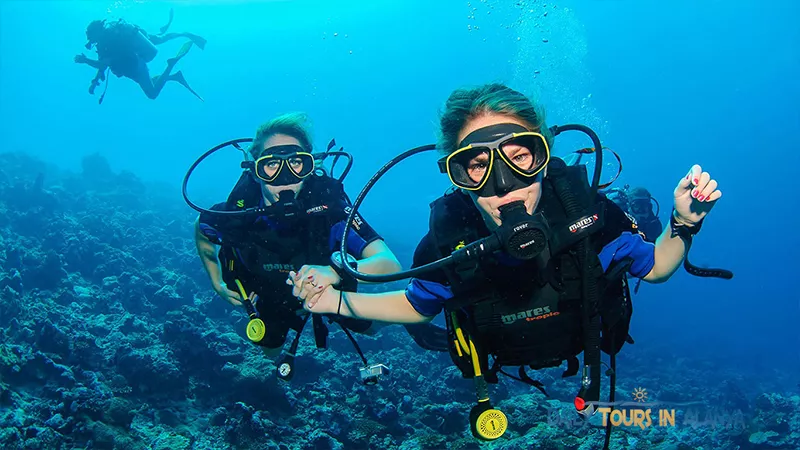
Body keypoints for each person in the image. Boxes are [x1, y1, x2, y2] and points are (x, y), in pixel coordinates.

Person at [290, 83, 726, 445]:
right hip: (498, 363)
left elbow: (656, 267)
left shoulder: (588, 216)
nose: (502, 186)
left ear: (545, 156)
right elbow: (415, 305)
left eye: (520, 157)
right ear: (456, 176)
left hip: (583, 347)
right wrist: (334, 302)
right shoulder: (448, 241)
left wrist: (683, 223)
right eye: (476, 166)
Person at [193, 113, 445, 382]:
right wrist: (217, 283)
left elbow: (387, 262)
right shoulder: (237, 214)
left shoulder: (329, 210)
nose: (285, 178)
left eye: (296, 163)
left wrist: (336, 272)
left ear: (310, 167)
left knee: (370, 328)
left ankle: (407, 319)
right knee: (268, 350)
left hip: (329, 289)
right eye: (271, 166)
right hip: (270, 294)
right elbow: (202, 229)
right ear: (254, 171)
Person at [74, 9, 205, 102]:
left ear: (97, 32)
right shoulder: (108, 39)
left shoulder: (107, 42)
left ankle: (171, 65)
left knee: (152, 94)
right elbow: (102, 65)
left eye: (91, 37)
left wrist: (85, 60)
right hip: (137, 51)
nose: (91, 41)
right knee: (160, 38)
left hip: (136, 67)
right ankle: (185, 35)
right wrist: (95, 81)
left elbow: (102, 64)